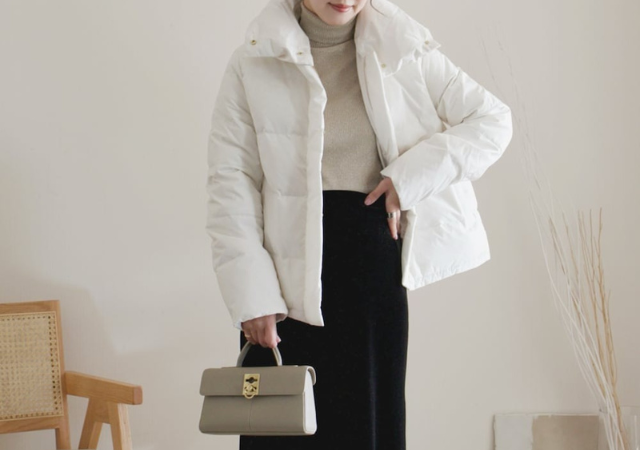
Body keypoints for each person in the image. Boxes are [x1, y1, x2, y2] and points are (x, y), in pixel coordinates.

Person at [205, 0, 513, 448]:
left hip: (371, 277)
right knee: (281, 428)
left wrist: (407, 179)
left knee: (366, 426)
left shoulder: (402, 47)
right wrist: (251, 296)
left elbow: (492, 121)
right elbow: (231, 182)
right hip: (284, 285)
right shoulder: (253, 61)